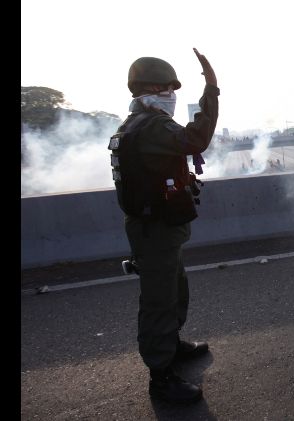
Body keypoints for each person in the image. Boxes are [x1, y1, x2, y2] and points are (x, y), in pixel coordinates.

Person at [109, 48, 218, 404]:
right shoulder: (153, 125)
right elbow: (196, 139)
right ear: (151, 90)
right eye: (167, 89)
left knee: (174, 289)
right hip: (155, 230)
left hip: (158, 227)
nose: (172, 97)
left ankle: (171, 346)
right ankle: (161, 378)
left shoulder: (136, 124)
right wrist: (211, 90)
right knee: (159, 301)